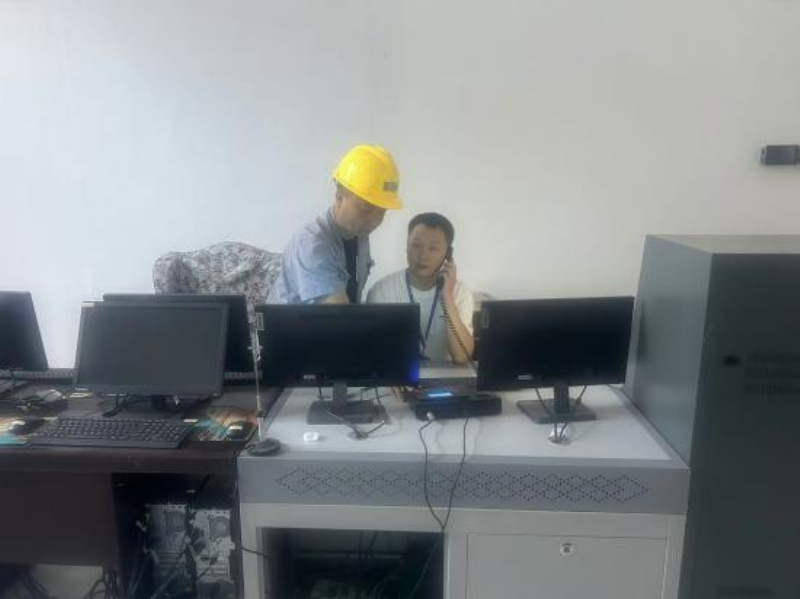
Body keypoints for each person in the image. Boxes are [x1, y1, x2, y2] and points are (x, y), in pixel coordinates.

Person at [268, 144, 402, 304]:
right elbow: (337, 312)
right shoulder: (312, 243)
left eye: (382, 211)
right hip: (295, 321)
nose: (374, 220)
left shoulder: (360, 234)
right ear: (339, 199)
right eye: (366, 208)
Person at [367, 213, 475, 364]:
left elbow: (461, 357)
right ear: (406, 247)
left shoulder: (460, 292)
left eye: (434, 248)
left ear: (448, 254)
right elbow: (375, 352)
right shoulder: (382, 291)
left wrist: (448, 297)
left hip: (445, 375)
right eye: (416, 245)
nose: (423, 255)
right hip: (399, 374)